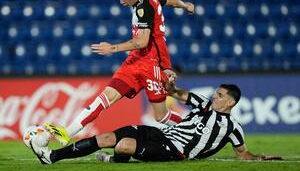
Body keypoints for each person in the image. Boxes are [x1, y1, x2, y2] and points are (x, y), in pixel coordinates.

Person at [44, 0, 195, 145]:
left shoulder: (143, 7)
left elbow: (142, 41)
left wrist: (112, 48)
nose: (121, 2)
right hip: (135, 60)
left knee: (161, 117)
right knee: (106, 95)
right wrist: (186, 5)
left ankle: (192, 129)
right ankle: (67, 132)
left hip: (153, 64)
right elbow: (171, 1)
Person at [30, 81, 282, 164]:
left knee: (123, 146)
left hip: (175, 151)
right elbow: (180, 94)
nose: (214, 97)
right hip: (161, 134)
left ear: (229, 103)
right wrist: (169, 85)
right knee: (107, 137)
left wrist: (261, 158)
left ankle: (111, 160)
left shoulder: (233, 127)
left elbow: (242, 153)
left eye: (219, 96)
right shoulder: (204, 105)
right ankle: (51, 157)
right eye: (216, 93)